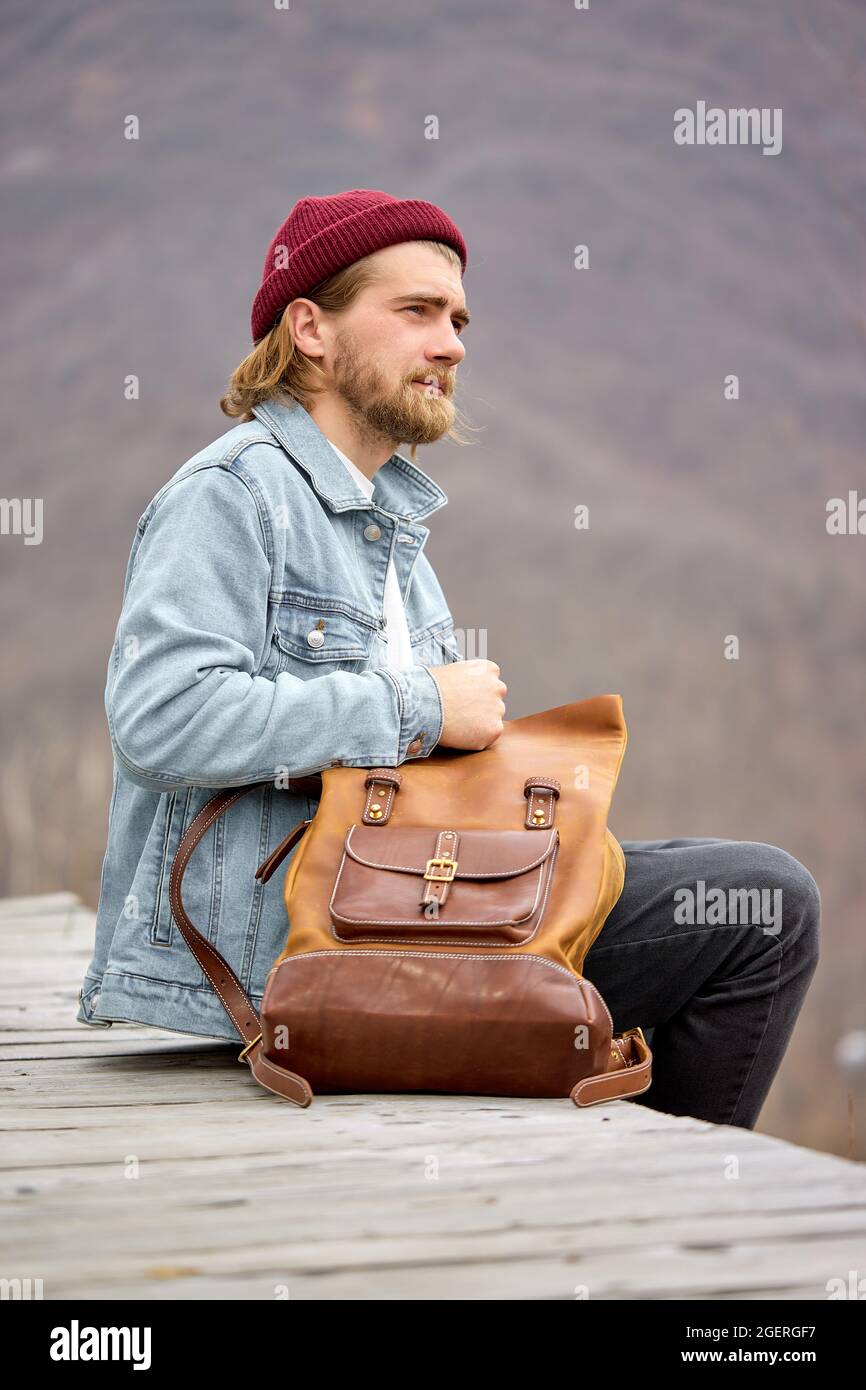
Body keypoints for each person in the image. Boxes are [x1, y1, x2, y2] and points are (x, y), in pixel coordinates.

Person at [77, 188, 820, 1130]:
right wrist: (421, 709)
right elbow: (161, 716)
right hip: (302, 950)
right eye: (417, 311)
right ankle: (677, 1222)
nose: (453, 343)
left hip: (410, 910)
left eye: (459, 318)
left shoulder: (393, 532)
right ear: (309, 327)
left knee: (719, 886)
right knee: (764, 907)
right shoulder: (230, 496)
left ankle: (634, 1202)